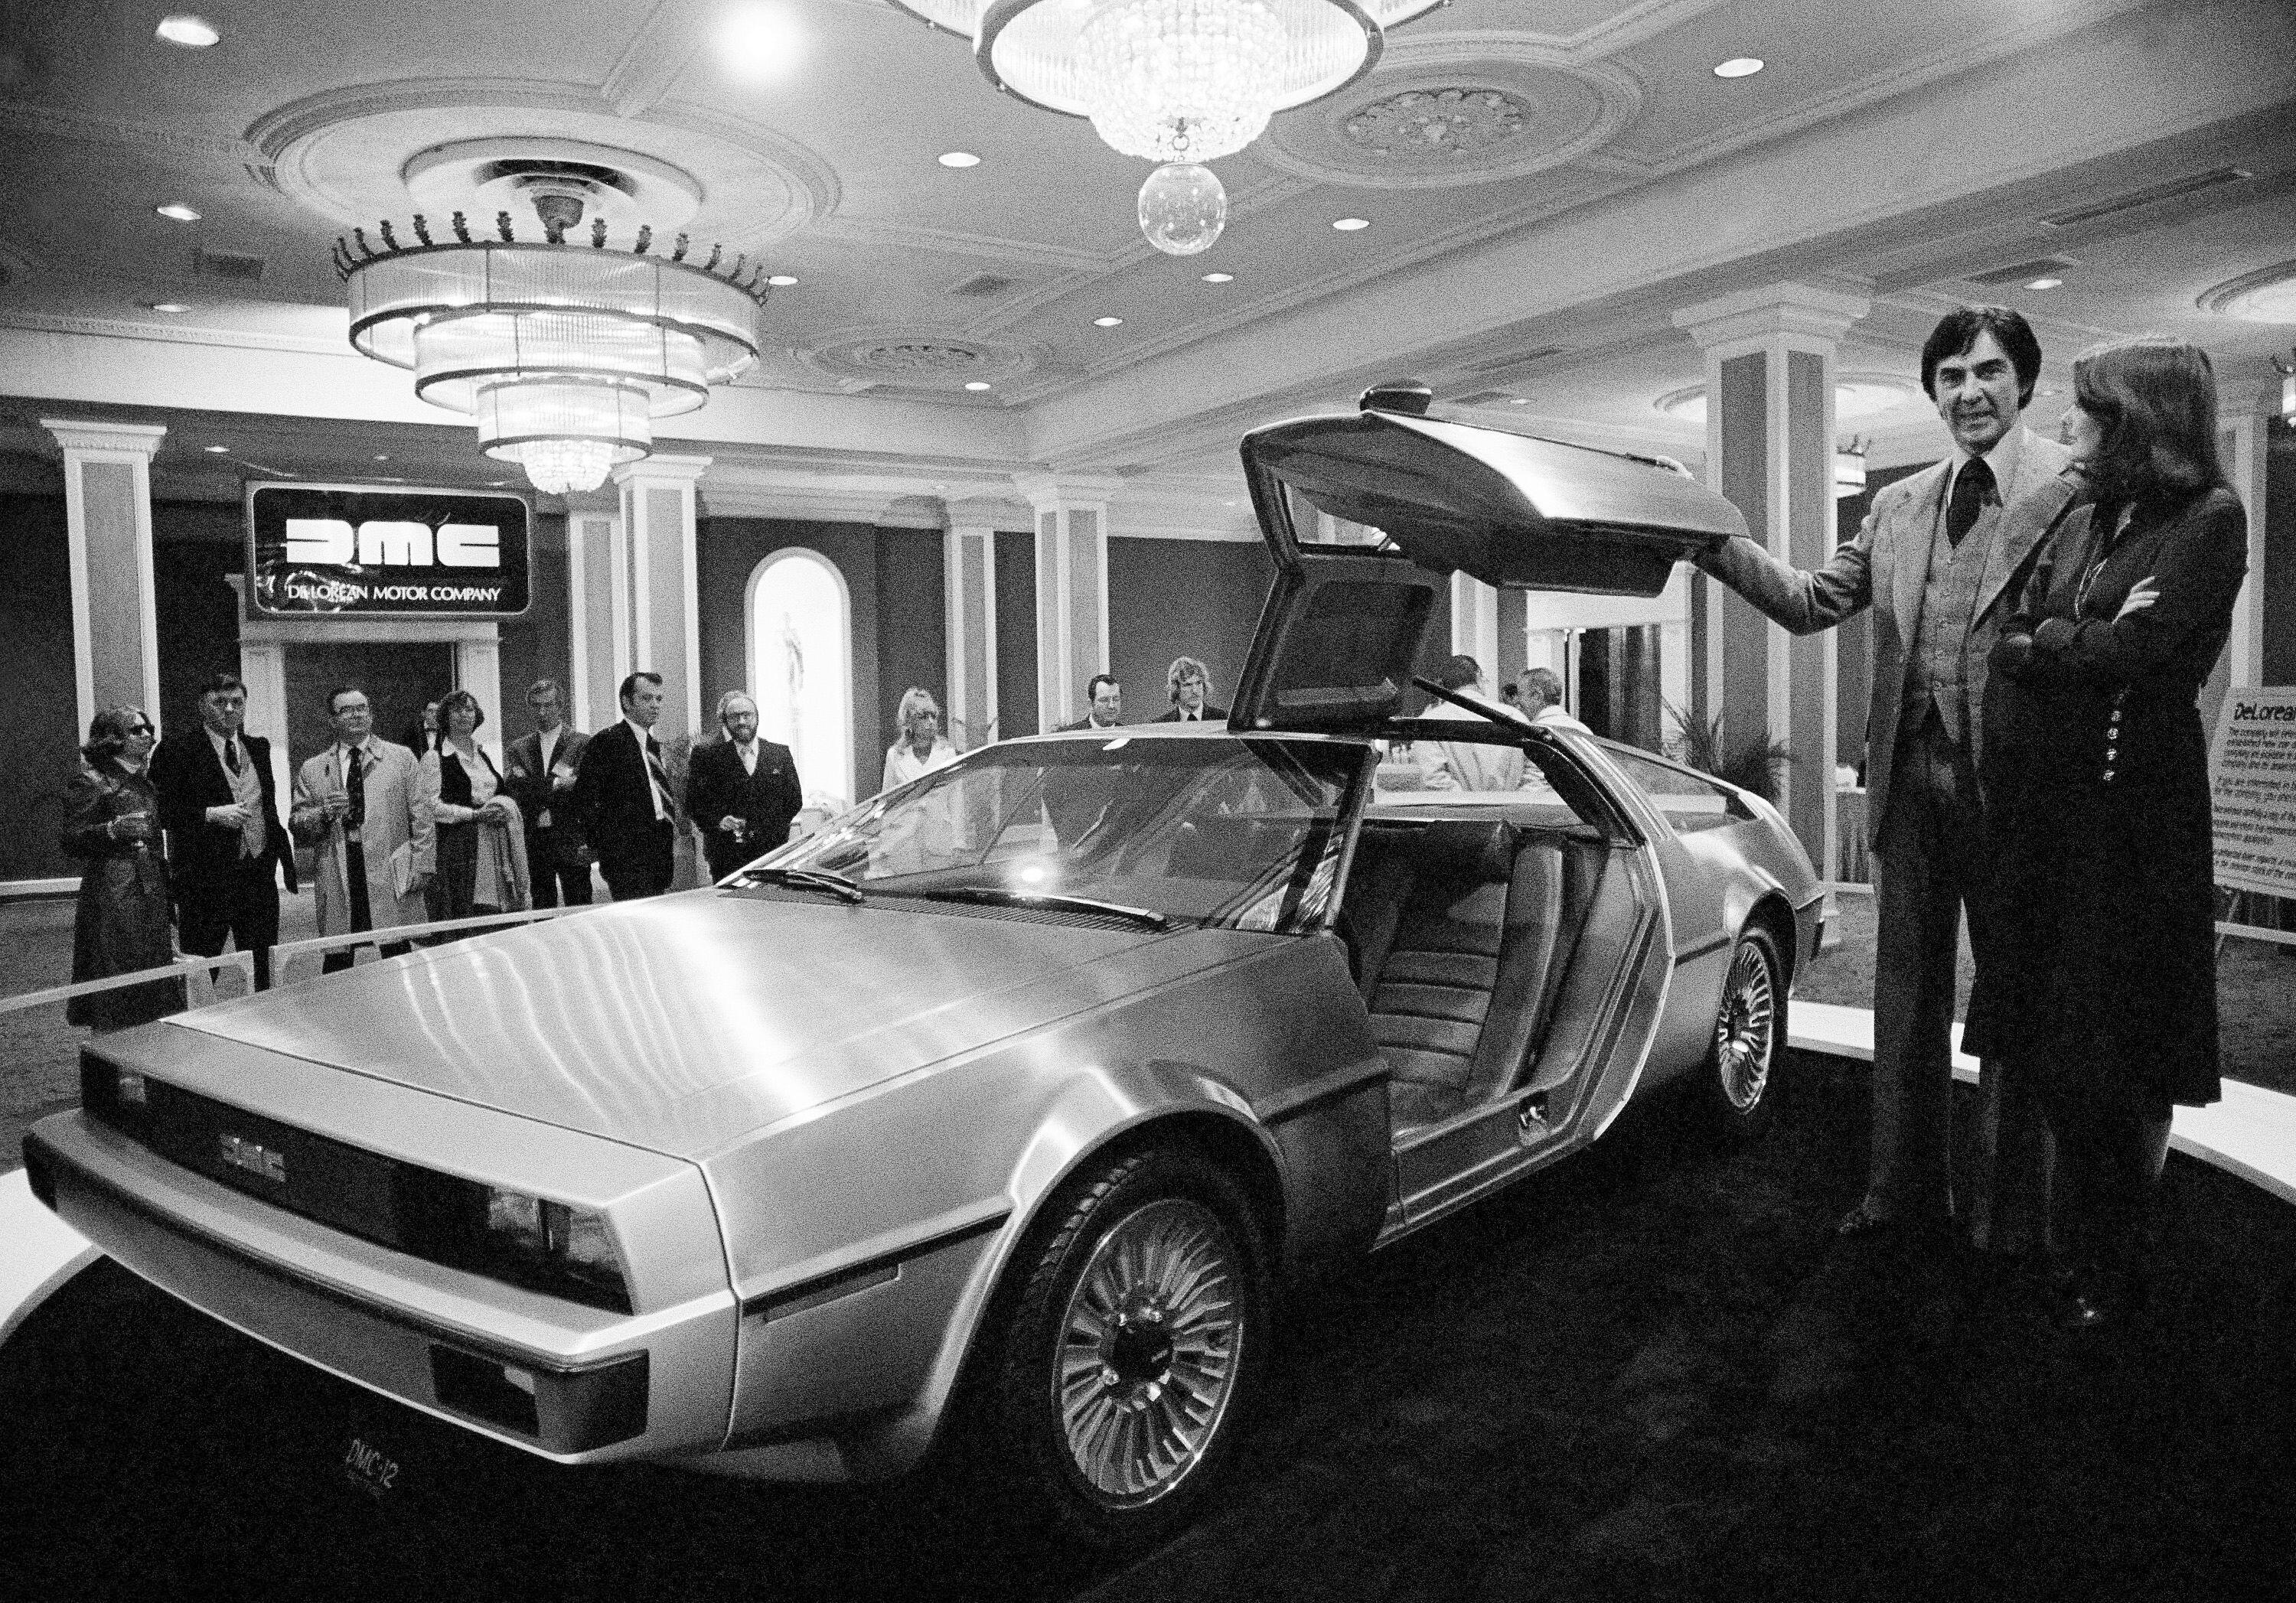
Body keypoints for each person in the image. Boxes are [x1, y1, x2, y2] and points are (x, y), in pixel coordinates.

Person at [1694, 304, 2075, 1248]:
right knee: (1905, 1002)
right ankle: (1901, 1192)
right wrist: (1709, 537)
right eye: (1950, 377)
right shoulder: (1900, 504)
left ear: (2025, 383)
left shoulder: (2073, 488)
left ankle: (2010, 1217)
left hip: (2019, 793)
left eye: (1988, 371)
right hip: (1909, 786)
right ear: (1934, 393)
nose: (1969, 392)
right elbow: (1810, 600)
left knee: (2016, 1002)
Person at [1973, 336, 2247, 1328]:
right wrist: (2067, 638)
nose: (2068, 425)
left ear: (2139, 420)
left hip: (2137, 820)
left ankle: (2115, 1263)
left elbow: (2136, 648)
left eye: (2088, 410)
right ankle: (2084, 1243)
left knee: (2122, 1051)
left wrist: (2057, 639)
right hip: (2062, 813)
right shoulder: (2097, 513)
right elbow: (2018, 630)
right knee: (2053, 1043)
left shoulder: (2211, 516)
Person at [149, 670, 295, 990]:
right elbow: (159, 810)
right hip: (204, 878)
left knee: (263, 965)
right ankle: (194, 1020)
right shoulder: (176, 750)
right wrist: (209, 814)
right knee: (201, 969)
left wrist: (274, 855)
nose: (229, 709)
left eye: (236, 702)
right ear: (202, 706)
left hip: (257, 875)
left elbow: (266, 806)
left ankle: (263, 1016)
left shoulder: (258, 748)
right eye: (219, 702)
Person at [289, 686, 431, 973]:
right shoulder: (313, 768)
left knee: (397, 950)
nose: (356, 715)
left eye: (361, 708)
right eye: (346, 710)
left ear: (370, 714)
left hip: (388, 865)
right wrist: (323, 812)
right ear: (332, 720)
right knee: (339, 957)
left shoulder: (401, 758)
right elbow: (297, 823)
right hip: (338, 866)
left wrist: (422, 864)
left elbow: (422, 816)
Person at [61, 706, 181, 1030]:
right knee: (114, 981)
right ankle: (109, 1056)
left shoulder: (144, 783)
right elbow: (70, 839)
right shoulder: (91, 780)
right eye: (136, 730)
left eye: (148, 728)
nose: (147, 735)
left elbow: (155, 845)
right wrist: (112, 831)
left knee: (153, 984)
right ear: (113, 738)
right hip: (112, 894)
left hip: (150, 891)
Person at [421, 689, 528, 919]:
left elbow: (498, 792)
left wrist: (502, 809)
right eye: (457, 710)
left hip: (494, 843)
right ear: (445, 717)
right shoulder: (434, 757)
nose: (464, 715)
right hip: (458, 847)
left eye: (469, 709)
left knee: (496, 913)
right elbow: (431, 807)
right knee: (465, 910)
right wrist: (474, 815)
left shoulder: (482, 755)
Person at [572, 671, 679, 901]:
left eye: (659, 699)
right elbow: (585, 797)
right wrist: (603, 845)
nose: (655, 705)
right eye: (647, 698)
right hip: (625, 855)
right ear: (627, 702)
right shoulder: (606, 742)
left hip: (657, 850)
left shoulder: (653, 745)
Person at [687, 690, 802, 881]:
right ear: (726, 722)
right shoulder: (708, 757)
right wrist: (718, 822)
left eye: (747, 715)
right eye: (734, 717)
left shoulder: (779, 754)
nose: (741, 721)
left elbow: (794, 801)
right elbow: (695, 803)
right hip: (727, 859)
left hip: (772, 855)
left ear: (757, 718)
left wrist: (768, 829)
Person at [501, 679, 592, 908]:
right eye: (536, 706)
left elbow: (585, 788)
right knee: (542, 905)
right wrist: (559, 784)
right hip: (535, 838)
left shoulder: (581, 743)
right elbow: (516, 790)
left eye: (548, 705)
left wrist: (535, 786)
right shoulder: (518, 748)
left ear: (560, 706)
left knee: (579, 903)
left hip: (571, 836)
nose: (542, 712)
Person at [1417, 655, 1525, 790]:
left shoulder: (1429, 722)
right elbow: (1535, 773)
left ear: (1443, 685)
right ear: (1479, 675)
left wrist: (1468, 802)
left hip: (1458, 804)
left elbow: (1435, 780)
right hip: (1513, 803)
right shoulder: (1515, 716)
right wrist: (1516, 799)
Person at [1046, 674, 1125, 842]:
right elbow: (1051, 790)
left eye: (1116, 699)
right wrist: (1065, 834)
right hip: (1076, 839)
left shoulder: (1131, 738)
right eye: (1104, 700)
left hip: (1118, 837)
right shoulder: (1070, 738)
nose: (1112, 706)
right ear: (1091, 703)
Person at [882, 686, 959, 791]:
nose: (931, 722)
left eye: (933, 716)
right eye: (923, 717)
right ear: (909, 721)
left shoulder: (947, 752)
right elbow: (888, 797)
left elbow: (955, 796)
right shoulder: (894, 755)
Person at [1514, 667, 1593, 735]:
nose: (1516, 701)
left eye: (1520, 694)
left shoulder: (1535, 734)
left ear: (1537, 696)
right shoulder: (1584, 730)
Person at [1156, 657, 1226, 722]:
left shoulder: (1223, 718)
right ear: (1176, 689)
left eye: (1198, 683)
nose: (1195, 691)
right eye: (1188, 685)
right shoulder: (1161, 724)